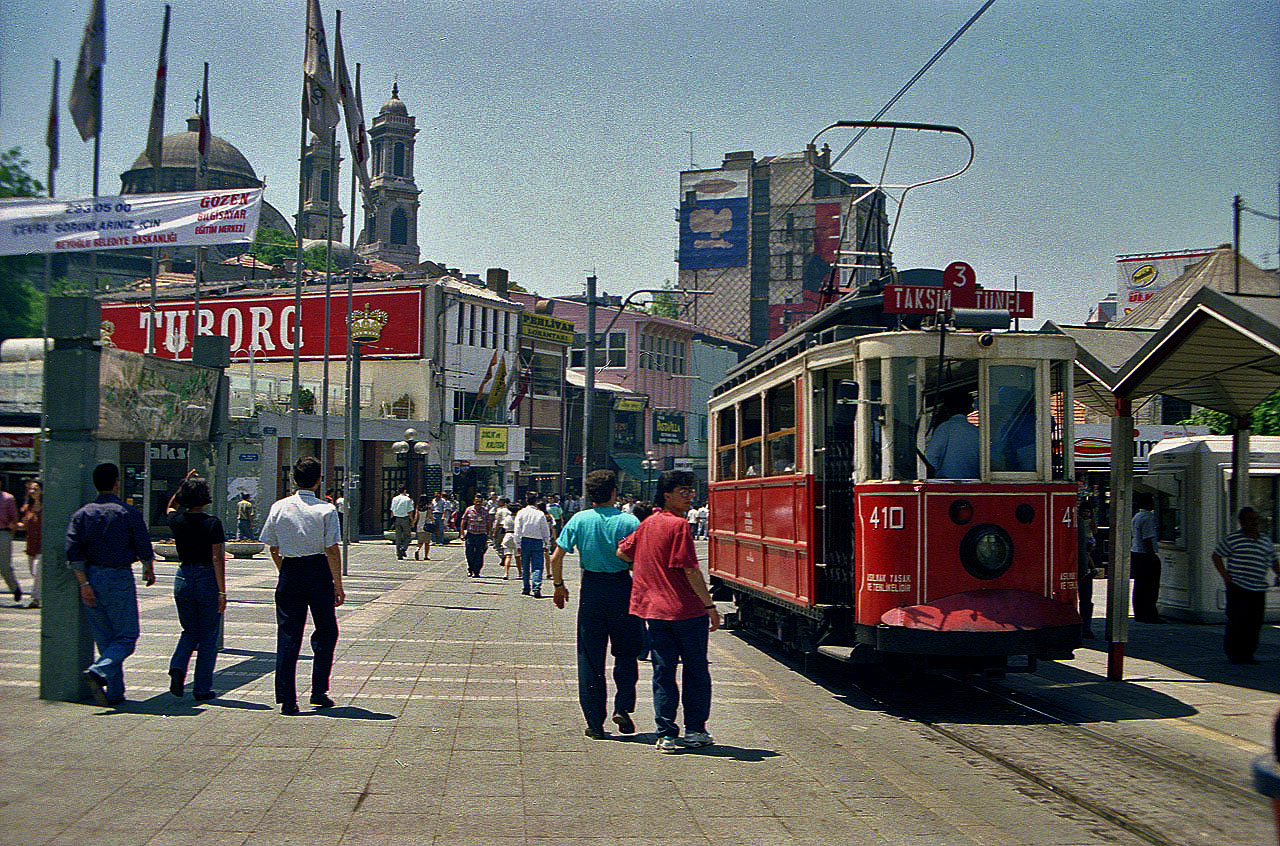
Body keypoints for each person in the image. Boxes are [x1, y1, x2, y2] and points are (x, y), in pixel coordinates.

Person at [617, 470, 719, 753]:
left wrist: (647, 568)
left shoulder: (647, 523)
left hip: (654, 612)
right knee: (696, 671)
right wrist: (710, 606)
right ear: (667, 495)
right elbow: (690, 569)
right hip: (686, 611)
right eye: (683, 492)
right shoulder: (679, 526)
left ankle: (666, 733)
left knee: (663, 672)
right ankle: (696, 729)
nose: (689, 497)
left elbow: (622, 553)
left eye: (690, 491)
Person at [548, 469, 643, 739]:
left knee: (590, 657)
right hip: (622, 589)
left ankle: (594, 722)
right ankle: (623, 707)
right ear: (614, 492)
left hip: (591, 591)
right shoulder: (629, 521)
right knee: (626, 652)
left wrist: (558, 586)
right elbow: (639, 561)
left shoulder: (579, 519)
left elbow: (556, 558)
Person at [66, 462, 156, 707]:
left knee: (105, 638)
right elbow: (143, 546)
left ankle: (115, 693)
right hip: (118, 577)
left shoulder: (82, 514)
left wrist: (83, 584)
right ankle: (99, 670)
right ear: (117, 482)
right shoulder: (127, 512)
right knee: (127, 636)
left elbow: (73, 552)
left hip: (90, 576)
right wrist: (148, 568)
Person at [259, 456, 344, 715]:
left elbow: (272, 547)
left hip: (291, 572)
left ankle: (287, 698)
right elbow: (331, 549)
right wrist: (337, 584)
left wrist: (283, 570)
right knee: (326, 631)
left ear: (293, 479)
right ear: (319, 480)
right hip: (318, 572)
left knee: (288, 634)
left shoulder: (279, 507)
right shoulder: (326, 510)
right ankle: (319, 690)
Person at [165, 471, 227, 700]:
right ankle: (202, 688)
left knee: (190, 630)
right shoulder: (212, 523)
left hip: (182, 576)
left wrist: (183, 484)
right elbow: (217, 559)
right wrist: (222, 591)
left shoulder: (178, 520)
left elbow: (170, 507)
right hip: (206, 577)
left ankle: (178, 666)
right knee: (209, 634)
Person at [1212, 506, 1280, 664]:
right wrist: (1226, 577)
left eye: (1256, 520)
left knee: (1255, 622)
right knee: (1237, 621)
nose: (1255, 523)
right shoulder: (1233, 539)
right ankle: (1234, 654)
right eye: (1251, 520)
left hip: (1258, 588)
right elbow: (1216, 555)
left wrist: (1278, 573)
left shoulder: (1264, 540)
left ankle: (1248, 654)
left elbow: (1273, 560)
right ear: (1242, 522)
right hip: (1238, 587)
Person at [924, 388, 980, 479]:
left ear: (947, 407)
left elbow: (931, 456)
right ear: (969, 408)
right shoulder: (976, 432)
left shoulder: (945, 428)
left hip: (947, 484)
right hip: (974, 483)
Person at [1131, 492, 1163, 623]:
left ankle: (1139, 613)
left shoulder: (1137, 516)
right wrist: (1152, 556)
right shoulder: (1148, 517)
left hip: (1136, 553)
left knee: (1139, 585)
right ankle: (1150, 614)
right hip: (1145, 555)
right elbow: (1148, 538)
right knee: (1150, 586)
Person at [514, 492, 552, 598]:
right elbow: (545, 530)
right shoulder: (540, 514)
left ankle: (526, 588)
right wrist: (546, 543)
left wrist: (517, 544)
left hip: (524, 541)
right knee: (537, 566)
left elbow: (517, 529)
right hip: (537, 541)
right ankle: (536, 587)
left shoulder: (521, 513)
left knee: (525, 565)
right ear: (536, 501)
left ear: (526, 501)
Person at [18, 481, 41, 609]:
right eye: (31, 489)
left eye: (36, 489)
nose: (33, 491)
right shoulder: (27, 508)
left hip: (42, 545)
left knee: (38, 569)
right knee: (34, 572)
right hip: (31, 546)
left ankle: (35, 598)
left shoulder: (46, 507)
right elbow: (23, 525)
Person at [1077, 500, 1099, 638]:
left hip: (1080, 563)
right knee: (1086, 598)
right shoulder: (1081, 522)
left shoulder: (1077, 522)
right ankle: (1086, 627)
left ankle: (1085, 626)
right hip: (1083, 565)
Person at [0, 481, 23, 604]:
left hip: (2, 533)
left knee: (4, 566)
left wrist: (10, 535)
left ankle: (15, 589)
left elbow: (14, 518)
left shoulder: (8, 498)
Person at [460, 494, 491, 577]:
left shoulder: (485, 511)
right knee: (469, 553)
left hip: (481, 535)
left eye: (480, 502)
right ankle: (470, 569)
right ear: (474, 501)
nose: (478, 503)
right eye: (476, 502)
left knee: (479, 554)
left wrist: (488, 534)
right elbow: (463, 521)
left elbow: (488, 523)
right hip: (470, 535)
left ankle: (477, 571)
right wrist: (462, 533)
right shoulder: (469, 509)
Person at [390, 486, 414, 560]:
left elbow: (392, 510)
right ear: (405, 490)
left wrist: (392, 520)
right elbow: (410, 511)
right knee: (408, 535)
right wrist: (412, 520)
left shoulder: (394, 499)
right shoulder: (407, 499)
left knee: (398, 537)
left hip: (397, 518)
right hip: (405, 518)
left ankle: (398, 554)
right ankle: (403, 548)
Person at [414, 494, 433, 561]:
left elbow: (416, 517)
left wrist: (413, 523)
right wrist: (433, 521)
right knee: (427, 542)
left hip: (419, 525)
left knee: (420, 541)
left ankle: (417, 549)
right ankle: (426, 556)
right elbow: (430, 516)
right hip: (427, 526)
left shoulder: (418, 507)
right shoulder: (428, 507)